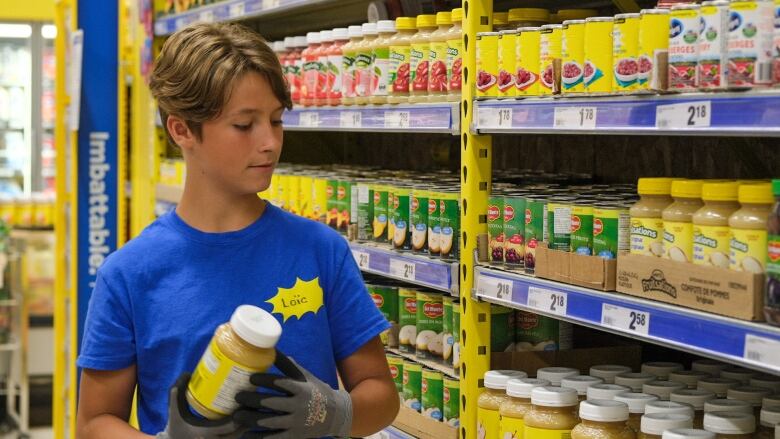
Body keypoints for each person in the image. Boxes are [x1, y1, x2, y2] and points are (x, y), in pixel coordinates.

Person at [75, 22, 399, 438]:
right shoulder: (129, 274)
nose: (269, 142)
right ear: (182, 129)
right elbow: (94, 423)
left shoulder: (321, 251)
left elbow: (383, 398)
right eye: (245, 125)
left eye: (276, 121)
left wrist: (331, 411)